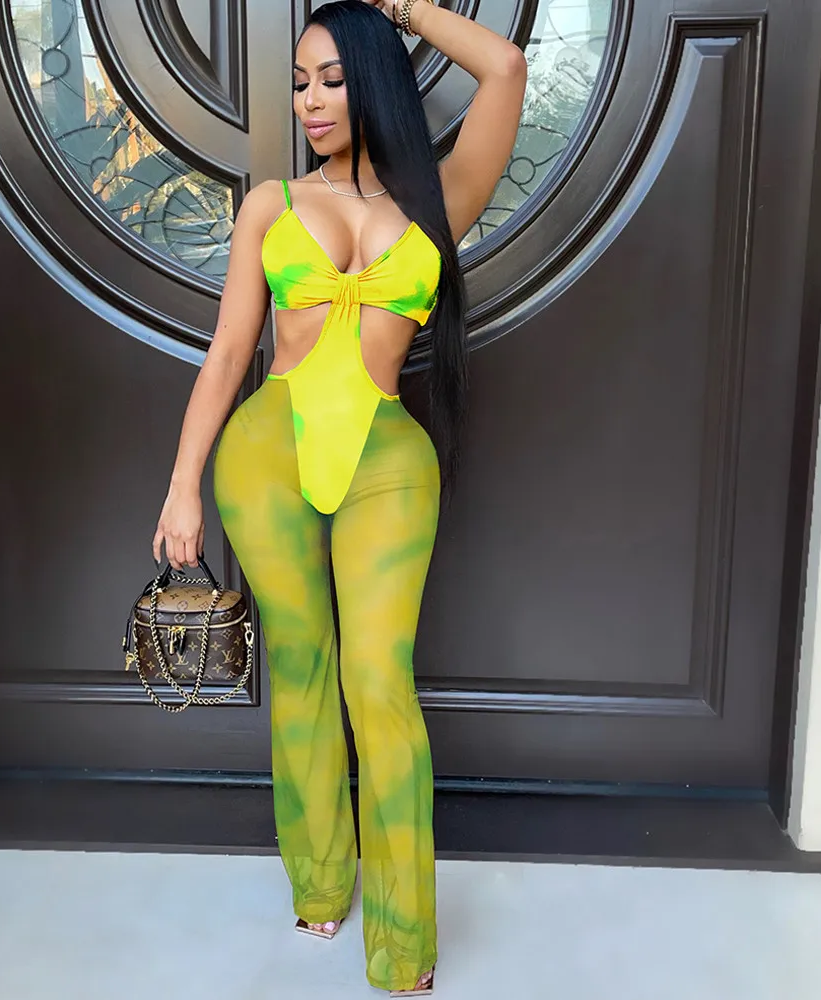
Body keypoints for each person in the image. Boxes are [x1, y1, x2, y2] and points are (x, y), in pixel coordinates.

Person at [153, 1, 525, 993]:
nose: (310, 101)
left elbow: (504, 69)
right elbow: (229, 352)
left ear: (375, 79)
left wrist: (400, 8)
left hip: (387, 460)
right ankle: (319, 879)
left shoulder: (439, 199)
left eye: (331, 78)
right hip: (267, 453)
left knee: (378, 679)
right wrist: (183, 486)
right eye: (299, 82)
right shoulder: (270, 205)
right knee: (304, 666)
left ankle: (403, 943)